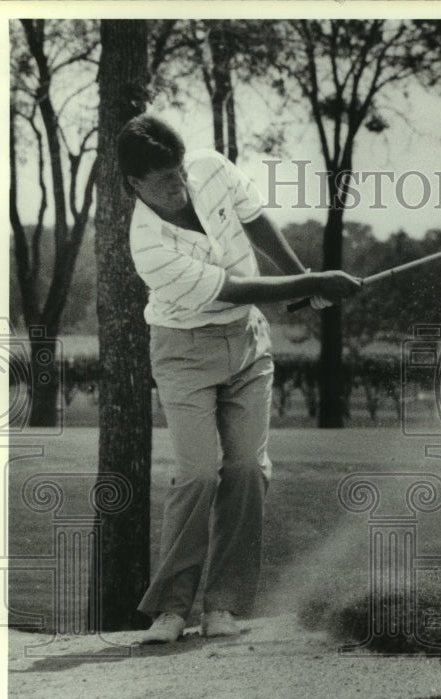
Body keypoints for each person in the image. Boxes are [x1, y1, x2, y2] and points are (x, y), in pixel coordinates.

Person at [117, 114, 362, 642]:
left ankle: (223, 605)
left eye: (180, 171)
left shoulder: (211, 167)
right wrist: (313, 279)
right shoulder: (148, 245)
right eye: (164, 181)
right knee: (201, 472)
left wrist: (304, 284)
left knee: (248, 468)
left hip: (248, 346)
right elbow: (229, 288)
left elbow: (253, 219)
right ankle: (172, 608)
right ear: (136, 185)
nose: (180, 186)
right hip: (183, 352)